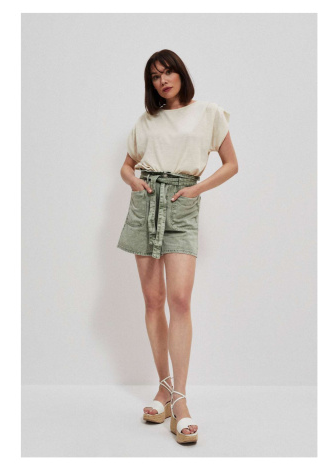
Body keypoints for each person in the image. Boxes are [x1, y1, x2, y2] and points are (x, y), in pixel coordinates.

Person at [117, 49, 238, 444]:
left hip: (182, 204)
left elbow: (231, 164)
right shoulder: (147, 120)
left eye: (168, 72)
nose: (163, 81)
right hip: (146, 203)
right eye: (155, 77)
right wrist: (133, 181)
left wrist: (196, 190)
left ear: (181, 74)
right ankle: (164, 389)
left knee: (180, 300)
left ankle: (181, 401)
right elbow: (127, 165)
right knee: (153, 301)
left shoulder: (209, 113)